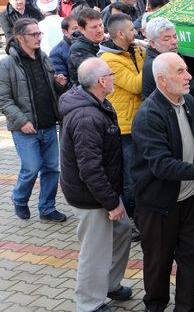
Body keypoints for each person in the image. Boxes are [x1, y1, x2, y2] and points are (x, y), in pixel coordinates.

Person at [132, 52, 194, 311]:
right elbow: (161, 165)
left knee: (192, 259)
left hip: (190, 202)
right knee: (159, 264)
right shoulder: (148, 115)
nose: (189, 75)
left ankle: (185, 307)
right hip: (159, 207)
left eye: (186, 70)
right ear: (162, 81)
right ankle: (155, 307)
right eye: (180, 71)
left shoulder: (189, 103)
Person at [59, 57, 132, 312]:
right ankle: (89, 303)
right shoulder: (87, 117)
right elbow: (89, 168)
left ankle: (109, 284)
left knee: (122, 230)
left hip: (102, 190)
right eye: (111, 74)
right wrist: (111, 203)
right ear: (102, 81)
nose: (114, 78)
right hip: (91, 196)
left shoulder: (97, 103)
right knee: (95, 249)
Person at [0, 18, 67, 222]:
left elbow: (51, 90)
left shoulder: (44, 57)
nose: (39, 38)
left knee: (52, 169)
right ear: (20, 37)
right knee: (31, 168)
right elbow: (3, 99)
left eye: (40, 34)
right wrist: (21, 122)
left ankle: (47, 208)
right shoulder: (7, 64)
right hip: (24, 128)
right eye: (34, 34)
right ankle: (19, 198)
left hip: (47, 124)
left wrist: (59, 85)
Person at [98, 13, 146, 220]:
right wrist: (153, 57)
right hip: (125, 127)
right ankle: (131, 219)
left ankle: (141, 214)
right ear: (120, 33)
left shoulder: (134, 50)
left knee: (142, 173)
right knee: (130, 178)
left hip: (140, 121)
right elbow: (137, 85)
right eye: (131, 30)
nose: (135, 33)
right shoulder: (109, 59)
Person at [68, 9, 104, 85]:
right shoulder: (77, 50)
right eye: (94, 27)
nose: (99, 30)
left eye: (100, 25)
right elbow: (98, 74)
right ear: (82, 29)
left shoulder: (106, 41)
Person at [50, 15, 78, 80]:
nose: (79, 31)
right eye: (75, 28)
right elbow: (63, 82)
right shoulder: (56, 53)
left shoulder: (88, 43)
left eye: (81, 27)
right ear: (65, 32)